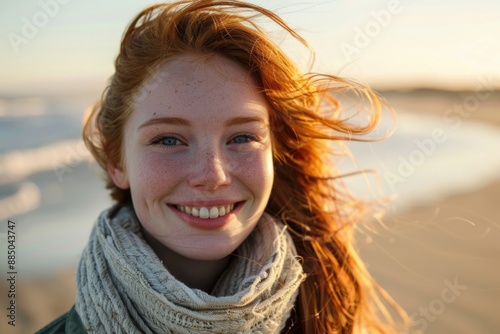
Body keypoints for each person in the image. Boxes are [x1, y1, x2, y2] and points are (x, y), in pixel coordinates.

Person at [37, 1, 408, 333]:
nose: (213, 175)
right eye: (168, 140)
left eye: (242, 138)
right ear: (117, 161)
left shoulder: (330, 315)